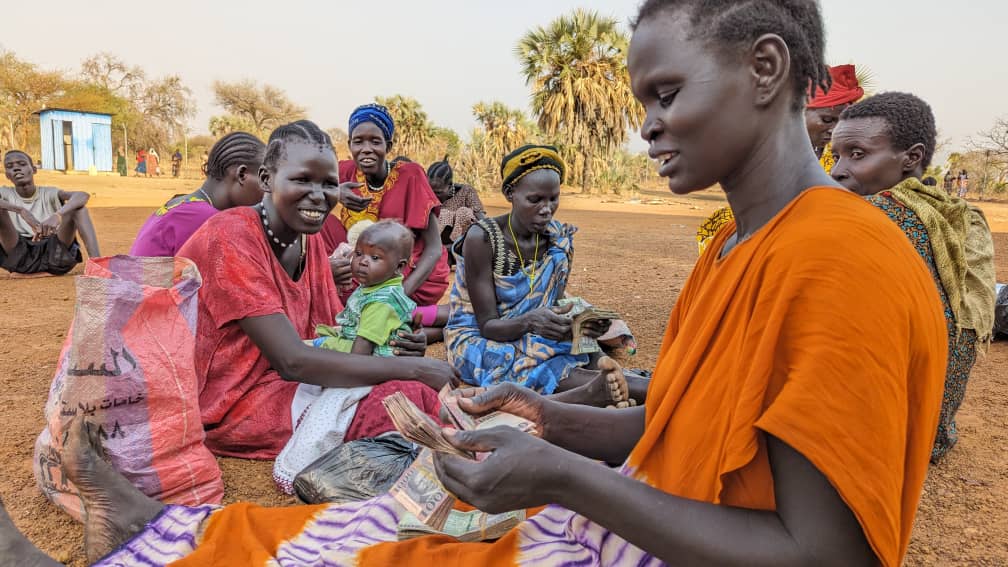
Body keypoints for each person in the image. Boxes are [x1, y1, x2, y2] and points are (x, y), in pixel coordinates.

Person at [0, 2, 948, 566]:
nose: (649, 129)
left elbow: (821, 554)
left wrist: (566, 475)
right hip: (651, 527)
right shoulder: (739, 247)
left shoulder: (841, 259)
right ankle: (165, 535)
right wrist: (544, 421)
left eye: (666, 95)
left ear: (766, 68)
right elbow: (680, 432)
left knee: (410, 545)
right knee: (377, 524)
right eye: (641, 104)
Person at [174, 119, 455, 459]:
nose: (319, 195)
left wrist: (393, 344)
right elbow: (291, 359)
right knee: (399, 406)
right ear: (266, 179)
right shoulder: (230, 235)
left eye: (330, 184)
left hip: (294, 381)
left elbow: (330, 336)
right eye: (302, 180)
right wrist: (415, 368)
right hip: (235, 401)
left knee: (413, 395)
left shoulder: (308, 240)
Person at [829, 91, 996, 462]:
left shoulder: (877, 215)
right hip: (933, 428)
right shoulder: (960, 214)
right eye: (837, 154)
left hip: (877, 436)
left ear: (912, 158)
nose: (837, 170)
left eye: (857, 155)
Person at [446, 143, 639, 404]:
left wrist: (575, 325)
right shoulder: (483, 238)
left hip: (533, 334)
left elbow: (553, 304)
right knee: (519, 362)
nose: (547, 209)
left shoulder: (559, 240)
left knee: (573, 344)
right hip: (481, 336)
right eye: (535, 200)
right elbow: (488, 326)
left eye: (553, 198)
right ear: (509, 193)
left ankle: (612, 379)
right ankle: (608, 390)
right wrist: (531, 322)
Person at [696, 62, 863, 254]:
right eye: (827, 120)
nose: (835, 129)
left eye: (842, 121)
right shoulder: (768, 152)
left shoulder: (841, 158)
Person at [320, 103, 451, 307]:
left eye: (375, 142)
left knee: (348, 284)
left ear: (388, 147)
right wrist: (334, 194)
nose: (366, 149)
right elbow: (303, 194)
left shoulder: (410, 175)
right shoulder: (344, 172)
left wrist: (397, 297)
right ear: (350, 145)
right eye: (358, 142)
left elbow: (434, 248)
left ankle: (372, 303)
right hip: (362, 261)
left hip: (403, 269)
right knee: (320, 220)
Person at [130, 132, 265, 257]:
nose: (269, 191)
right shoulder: (206, 219)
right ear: (242, 175)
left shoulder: (187, 204)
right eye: (265, 180)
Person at [310, 220, 417, 356]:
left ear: (399, 266)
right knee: (322, 332)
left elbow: (361, 353)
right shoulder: (374, 286)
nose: (363, 262)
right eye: (359, 254)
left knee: (316, 345)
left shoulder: (381, 302)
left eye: (375, 257)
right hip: (360, 344)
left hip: (376, 357)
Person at [0, 150, 101, 276]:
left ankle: (98, 264)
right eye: (10, 167)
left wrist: (58, 215)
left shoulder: (50, 193)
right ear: (7, 175)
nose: (16, 169)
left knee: (79, 209)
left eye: (22, 164)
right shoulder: (5, 193)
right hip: (20, 258)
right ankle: (37, 272)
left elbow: (82, 195)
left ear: (34, 169)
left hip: (55, 256)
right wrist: (20, 210)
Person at [427, 156, 485, 246]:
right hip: (434, 245)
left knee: (464, 212)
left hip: (464, 245)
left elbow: (481, 219)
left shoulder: (466, 191)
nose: (433, 196)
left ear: (450, 186)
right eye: (430, 191)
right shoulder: (423, 194)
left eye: (438, 192)